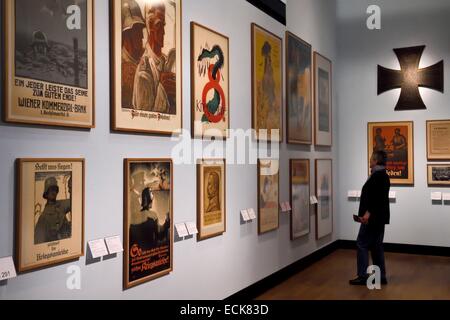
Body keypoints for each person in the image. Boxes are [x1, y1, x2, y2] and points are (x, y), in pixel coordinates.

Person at [350, 151, 390, 286]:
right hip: (378, 218)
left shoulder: (378, 176)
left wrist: (367, 213)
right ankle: (381, 276)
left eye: (371, 158)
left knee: (362, 243)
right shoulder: (382, 175)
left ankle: (362, 276)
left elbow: (377, 199)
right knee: (376, 246)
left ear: (376, 160)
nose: (369, 160)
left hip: (372, 218)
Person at [132, 2, 176, 113]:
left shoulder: (165, 61)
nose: (164, 32)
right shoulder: (144, 70)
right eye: (159, 26)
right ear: (149, 26)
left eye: (164, 26)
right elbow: (143, 118)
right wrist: (163, 90)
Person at [121, 0, 146, 108]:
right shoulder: (120, 66)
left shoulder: (146, 60)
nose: (142, 36)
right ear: (126, 33)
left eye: (141, 30)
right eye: (137, 30)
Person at [34, 176, 72, 244]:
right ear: (46, 192)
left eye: (55, 190)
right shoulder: (43, 218)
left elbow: (74, 201)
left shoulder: (61, 204)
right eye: (51, 189)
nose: (53, 192)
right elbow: (38, 242)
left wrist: (71, 185)